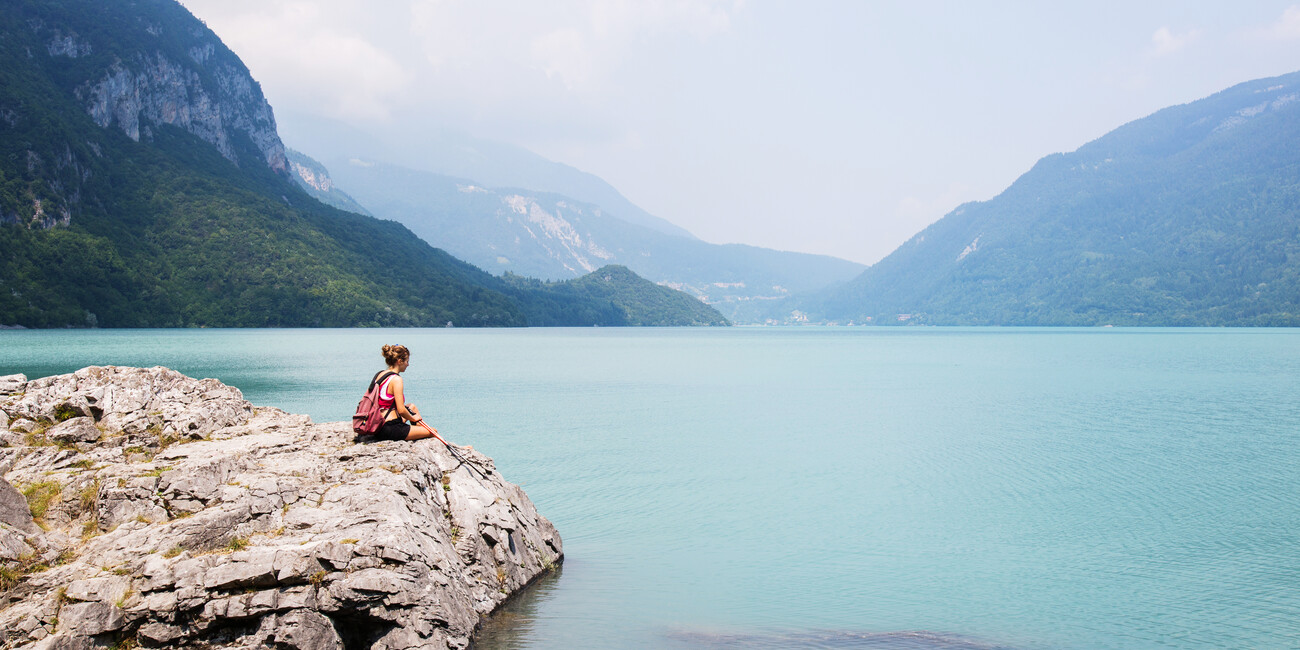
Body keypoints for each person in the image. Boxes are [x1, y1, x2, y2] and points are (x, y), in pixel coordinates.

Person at [357, 344, 440, 442]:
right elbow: (401, 410)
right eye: (407, 361)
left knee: (412, 407)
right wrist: (413, 418)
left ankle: (418, 432)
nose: (408, 365)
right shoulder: (396, 379)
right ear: (400, 361)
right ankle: (426, 437)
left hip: (378, 423)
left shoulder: (380, 374)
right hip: (390, 428)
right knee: (433, 431)